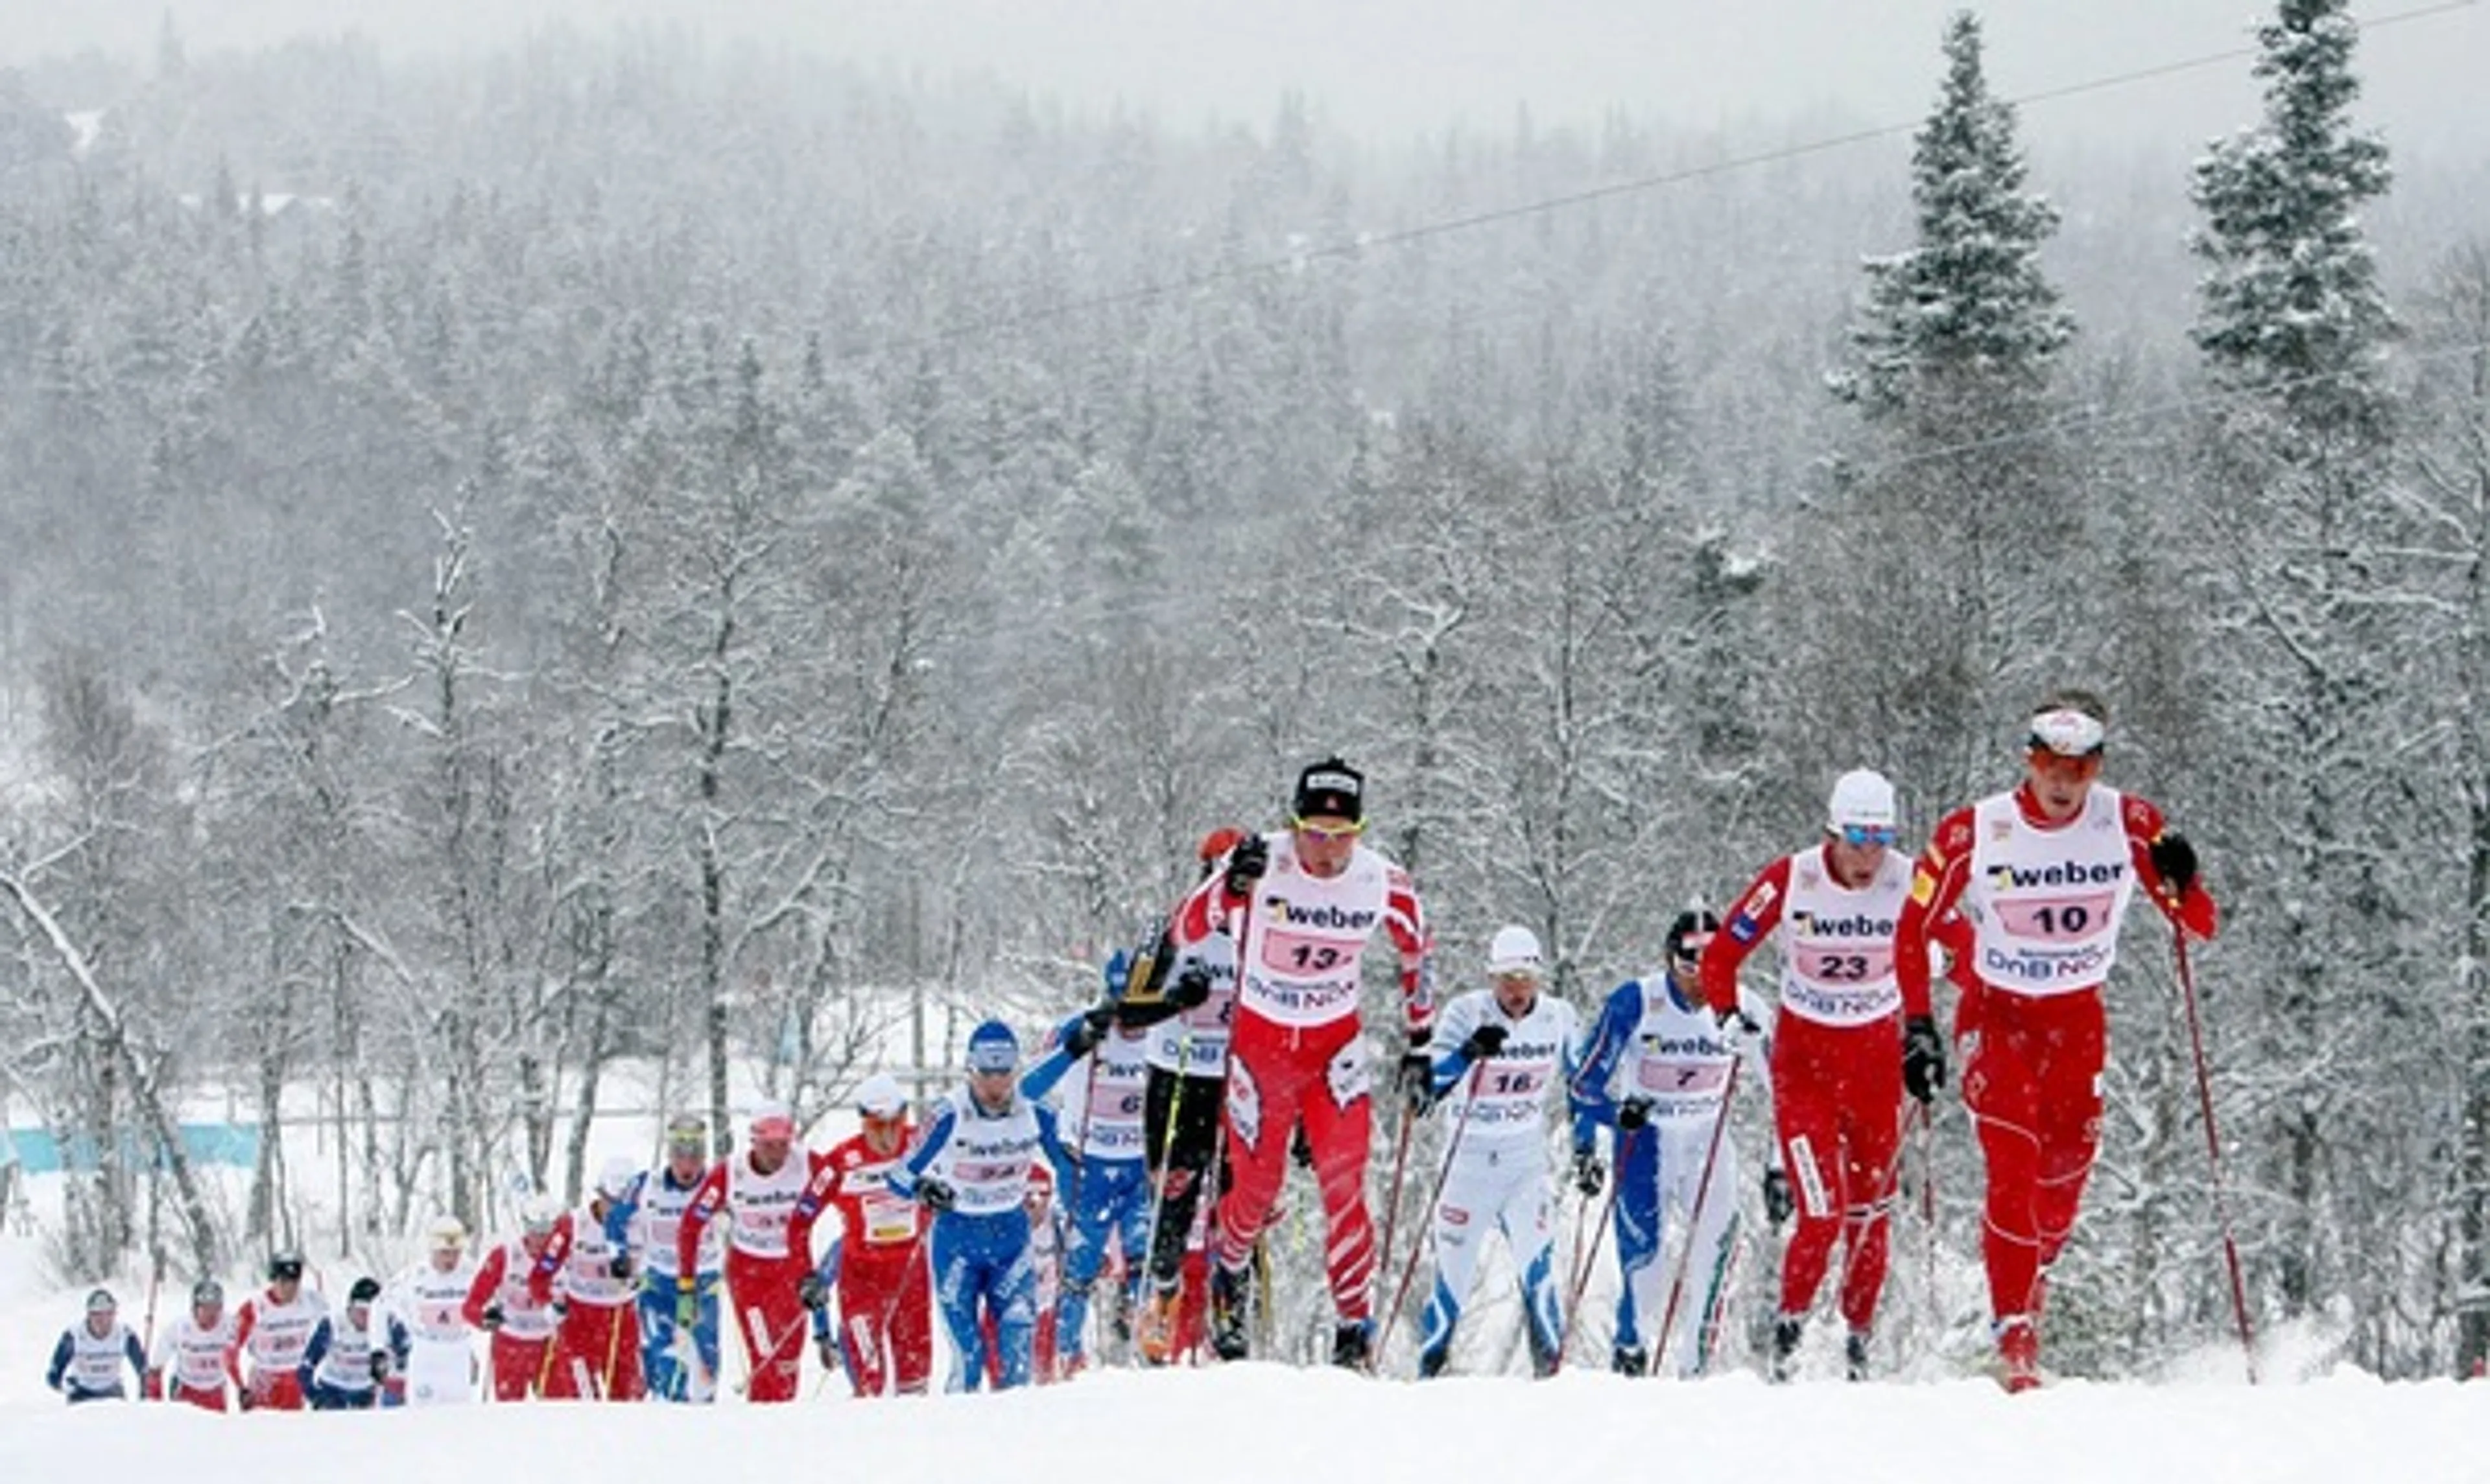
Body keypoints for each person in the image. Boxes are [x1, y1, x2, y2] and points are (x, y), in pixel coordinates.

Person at [1895, 689, 2217, 1392]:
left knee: (2062, 1187)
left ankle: (2029, 1283)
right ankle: (2014, 1336)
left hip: (2078, 1023)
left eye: (2081, 764)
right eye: (2049, 761)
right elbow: (1911, 927)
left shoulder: (2129, 822)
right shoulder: (1974, 830)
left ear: (2098, 766)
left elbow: (2199, 924)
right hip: (1999, 1015)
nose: (2064, 779)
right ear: (2028, 760)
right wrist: (1917, 1024)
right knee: (2013, 1168)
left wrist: (2184, 880)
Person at [1165, 759, 1434, 1366]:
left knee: (1345, 1183)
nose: (1328, 848)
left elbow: (1419, 948)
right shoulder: (1263, 862)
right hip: (1261, 1050)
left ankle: (1352, 1326)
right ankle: (1229, 1269)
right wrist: (1231, 887)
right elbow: (1184, 928)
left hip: (1333, 1049)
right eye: (1314, 832)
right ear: (1293, 825)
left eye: (1342, 835)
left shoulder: (1381, 880)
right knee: (1257, 1190)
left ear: (1360, 832)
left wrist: (1421, 1041)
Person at [1702, 769, 1917, 1382]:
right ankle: (1788, 1333)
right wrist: (1726, 1013)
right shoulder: (1791, 878)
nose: (1868, 856)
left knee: (1871, 1217)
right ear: (1832, 832)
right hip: (1807, 1074)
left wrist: (1941, 966)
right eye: (1856, 839)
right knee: (1821, 1215)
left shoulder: (1906, 879)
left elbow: (1964, 941)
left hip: (1876, 1072)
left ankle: (1858, 1344)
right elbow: (1722, 954)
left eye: (1880, 839)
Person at [1571, 909, 1761, 1377]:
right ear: (1668, 958)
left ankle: (1696, 1373)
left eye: (1712, 961)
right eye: (1687, 962)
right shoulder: (1636, 1001)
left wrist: (1783, 1161)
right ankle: (1630, 1356)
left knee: (1712, 1263)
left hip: (1708, 1141)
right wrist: (1618, 1114)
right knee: (1648, 1277)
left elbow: (1785, 1083)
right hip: (1646, 1144)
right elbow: (1582, 1084)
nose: (1699, 977)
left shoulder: (1745, 1006)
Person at [1415, 926, 1580, 1379]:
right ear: (1491, 977)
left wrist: (1587, 1145)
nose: (1517, 989)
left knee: (1539, 1274)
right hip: (1466, 1163)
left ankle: (1553, 1375)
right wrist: (1468, 1052)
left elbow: (1582, 1084)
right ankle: (1426, 1376)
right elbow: (1425, 1090)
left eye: (1526, 977)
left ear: (1539, 977)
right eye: (1507, 978)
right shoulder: (1465, 1012)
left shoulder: (1559, 1016)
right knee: (1450, 1283)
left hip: (1523, 1161)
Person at [888, 1018, 1076, 1391]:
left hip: (1011, 1238)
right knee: (969, 1357)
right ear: (970, 1072)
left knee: (1017, 1351)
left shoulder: (1037, 1112)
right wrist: (923, 1188)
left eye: (1004, 1074)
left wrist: (1077, 1207)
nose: (995, 1086)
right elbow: (898, 1176)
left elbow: (1070, 1172)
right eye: (985, 1075)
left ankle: (1016, 1440)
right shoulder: (948, 1114)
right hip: (957, 1242)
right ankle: (959, 1437)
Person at [1118, 827, 1245, 1364]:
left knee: (1242, 1194)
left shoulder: (1265, 930)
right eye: (1222, 875)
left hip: (1237, 1076)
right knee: (1176, 1188)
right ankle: (1163, 1293)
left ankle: (1230, 1303)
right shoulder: (1171, 926)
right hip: (1178, 1070)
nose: (1235, 890)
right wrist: (1176, 999)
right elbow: (1128, 1013)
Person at [1038, 960, 1156, 1376]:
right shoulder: (1079, 1027)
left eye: (1141, 1007)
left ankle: (1148, 1352)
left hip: (1137, 1168)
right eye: (1121, 1006)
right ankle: (1068, 1358)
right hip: (1087, 1169)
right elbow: (1029, 1091)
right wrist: (1077, 1043)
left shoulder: (1163, 1030)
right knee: (1080, 1270)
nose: (1131, 1019)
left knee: (1146, 1259)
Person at [675, 1101, 835, 1403]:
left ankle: (780, 1425)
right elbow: (690, 1225)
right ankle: (763, 1426)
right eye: (768, 1145)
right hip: (750, 1275)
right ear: (754, 1141)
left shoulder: (807, 1163)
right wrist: (686, 1286)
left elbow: (835, 1177)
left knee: (787, 1362)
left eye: (783, 1145)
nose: (777, 1154)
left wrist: (809, 1214)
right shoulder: (732, 1172)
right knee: (765, 1358)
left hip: (792, 1271)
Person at [795, 1074, 933, 1398]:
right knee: (870, 1382)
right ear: (862, 1122)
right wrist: (808, 1275)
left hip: (911, 1279)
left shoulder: (923, 1146)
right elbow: (800, 1222)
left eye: (895, 1124)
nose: (887, 1136)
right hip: (862, 1281)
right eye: (876, 1126)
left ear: (905, 1117)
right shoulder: (841, 1162)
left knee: (915, 1385)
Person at [607, 1116, 724, 1401]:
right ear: (670, 1155)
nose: (688, 1165)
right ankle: (668, 1408)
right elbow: (615, 1220)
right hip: (660, 1281)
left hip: (703, 1283)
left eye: (695, 1157)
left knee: (706, 1364)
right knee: (666, 1353)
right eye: (680, 1156)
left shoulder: (716, 1183)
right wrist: (619, 1256)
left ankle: (704, 1416)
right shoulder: (647, 1184)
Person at [532, 1158, 644, 1400]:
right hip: (580, 1319)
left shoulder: (641, 1222)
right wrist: (549, 1304)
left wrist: (642, 1280)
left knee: (627, 1398)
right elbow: (540, 1275)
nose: (616, 1213)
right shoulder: (573, 1224)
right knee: (582, 1396)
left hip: (620, 1318)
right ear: (600, 1195)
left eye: (624, 1205)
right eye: (610, 1202)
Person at [462, 1198, 562, 1400]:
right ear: (525, 1226)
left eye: (546, 1232)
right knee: (510, 1411)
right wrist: (484, 1318)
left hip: (549, 1345)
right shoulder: (505, 1255)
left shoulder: (566, 1256)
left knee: (556, 1409)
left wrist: (566, 1313)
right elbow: (471, 1305)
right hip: (511, 1344)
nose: (540, 1239)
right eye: (534, 1230)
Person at [384, 1215, 479, 1406]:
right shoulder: (415, 1276)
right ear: (433, 1250)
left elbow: (491, 1301)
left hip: (457, 1354)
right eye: (445, 1253)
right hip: (426, 1354)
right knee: (423, 1419)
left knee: (458, 1419)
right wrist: (379, 1348)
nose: (451, 1259)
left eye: (456, 1253)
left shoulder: (471, 1274)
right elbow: (382, 1305)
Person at [228, 1251, 326, 1410]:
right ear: (273, 1281)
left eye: (295, 1283)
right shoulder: (255, 1307)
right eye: (283, 1282)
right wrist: (241, 1387)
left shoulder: (310, 1301)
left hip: (295, 1382)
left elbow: (333, 1330)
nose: (289, 1289)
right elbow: (230, 1350)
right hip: (265, 1383)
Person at [301, 1276, 404, 1409]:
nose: (366, 1319)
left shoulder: (387, 1325)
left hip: (365, 1392)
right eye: (361, 1312)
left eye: (372, 1314)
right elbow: (306, 1366)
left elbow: (407, 1355)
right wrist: (315, 1396)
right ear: (350, 1308)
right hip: (332, 1390)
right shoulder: (333, 1323)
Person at [46, 1288, 146, 1402]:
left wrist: (144, 1390)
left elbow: (143, 1368)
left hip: (113, 1392)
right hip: (82, 1392)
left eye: (109, 1314)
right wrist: (65, 1387)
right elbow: (54, 1374)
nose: (104, 1321)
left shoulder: (125, 1334)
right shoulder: (74, 1335)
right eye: (97, 1315)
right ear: (89, 1315)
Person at [150, 1278, 236, 1410]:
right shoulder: (181, 1328)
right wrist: (155, 1399)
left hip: (215, 1390)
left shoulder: (230, 1325)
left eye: (216, 1308)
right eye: (205, 1308)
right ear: (195, 1308)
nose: (211, 1314)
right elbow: (157, 1365)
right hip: (186, 1389)